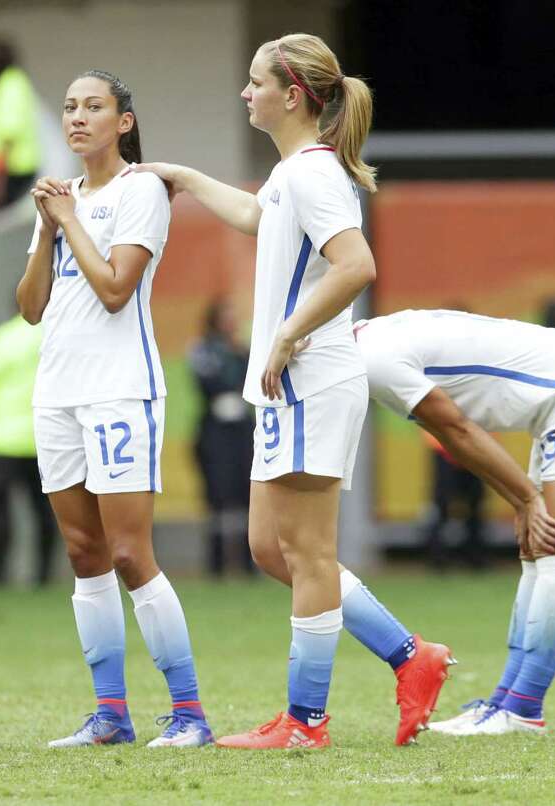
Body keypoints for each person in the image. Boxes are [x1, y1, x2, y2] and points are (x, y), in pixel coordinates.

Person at [135, 33, 453, 749]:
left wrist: (285, 333)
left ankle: (306, 723)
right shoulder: (292, 175)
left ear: (293, 96)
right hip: (287, 388)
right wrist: (185, 176)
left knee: (306, 554)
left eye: (256, 83)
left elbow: (355, 264)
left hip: (312, 379)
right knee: (269, 548)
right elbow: (255, 217)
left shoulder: (314, 176)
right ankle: (412, 656)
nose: (245, 93)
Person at [17, 70, 213, 748]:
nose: (76, 118)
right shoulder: (59, 201)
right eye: (69, 107)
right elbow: (30, 307)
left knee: (131, 553)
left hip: (119, 390)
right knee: (82, 551)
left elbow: (115, 291)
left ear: (123, 122)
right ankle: (111, 715)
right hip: (58, 394)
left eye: (93, 106)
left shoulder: (142, 192)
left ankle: (189, 714)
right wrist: (47, 231)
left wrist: (69, 219)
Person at [350, 309, 555, 736]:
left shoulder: (372, 362)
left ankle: (523, 708)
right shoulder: (369, 336)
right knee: (538, 552)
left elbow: (457, 430)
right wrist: (522, 499)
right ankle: (506, 703)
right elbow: (456, 435)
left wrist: (524, 497)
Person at [0, 308, 56, 585]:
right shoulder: (55, 334)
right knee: (46, 511)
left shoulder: (2, 338)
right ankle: (43, 576)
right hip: (46, 439)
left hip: (2, 439)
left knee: (0, 511)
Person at [189, 299, 254, 576]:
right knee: (218, 494)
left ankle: (250, 563)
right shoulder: (203, 349)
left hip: (242, 430)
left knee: (247, 492)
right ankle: (216, 565)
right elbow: (208, 382)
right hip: (215, 431)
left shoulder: (243, 351)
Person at [0, 38, 40, 210]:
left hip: (13, 169)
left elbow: (9, 134)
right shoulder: (8, 83)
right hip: (8, 168)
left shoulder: (10, 86)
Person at [420, 429, 489, 570]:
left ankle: (475, 556)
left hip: (474, 448)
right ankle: (438, 557)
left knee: (475, 506)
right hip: (444, 449)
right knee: (442, 506)